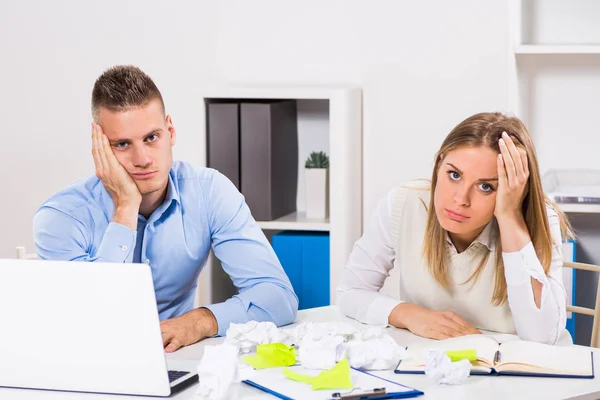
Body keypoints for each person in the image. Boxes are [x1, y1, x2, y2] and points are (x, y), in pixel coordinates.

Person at [34, 65, 298, 352]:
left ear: (170, 131)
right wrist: (126, 206)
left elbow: (279, 298)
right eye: (122, 144)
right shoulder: (60, 217)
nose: (143, 159)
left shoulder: (209, 191)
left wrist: (201, 320)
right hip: (91, 362)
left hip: (176, 361)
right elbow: (91, 320)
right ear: (100, 148)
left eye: (151, 137)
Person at [337, 112, 573, 345]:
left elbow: (541, 337)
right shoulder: (403, 203)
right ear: (439, 163)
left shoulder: (539, 219)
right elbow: (350, 292)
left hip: (523, 374)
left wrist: (510, 217)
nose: (461, 199)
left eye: (485, 187)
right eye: (454, 175)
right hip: (439, 370)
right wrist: (408, 314)